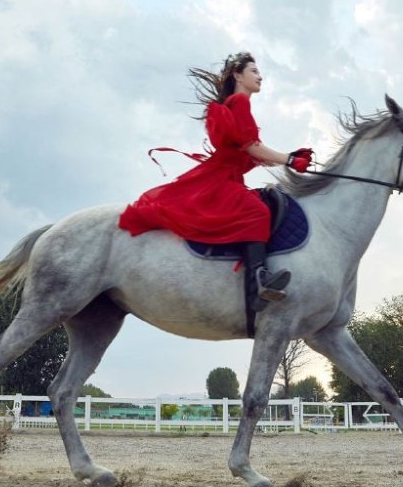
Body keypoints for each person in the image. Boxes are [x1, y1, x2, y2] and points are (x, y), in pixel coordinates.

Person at [119, 52, 313, 306]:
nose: (260, 76)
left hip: (224, 177)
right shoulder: (239, 104)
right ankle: (259, 282)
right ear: (238, 76)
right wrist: (289, 159)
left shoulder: (236, 105)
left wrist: (289, 157)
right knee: (257, 212)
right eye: (254, 71)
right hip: (221, 181)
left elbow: (256, 153)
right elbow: (253, 148)